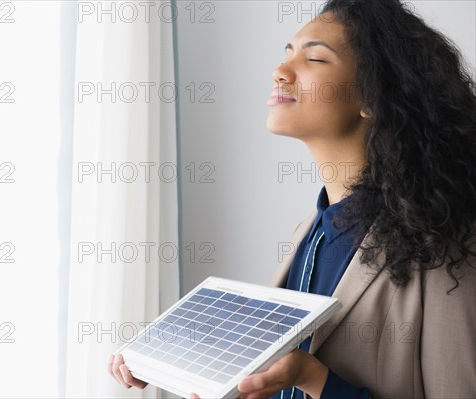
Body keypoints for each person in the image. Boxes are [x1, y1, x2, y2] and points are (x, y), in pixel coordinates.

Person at [109, 0, 476, 397]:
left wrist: (315, 378)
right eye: (286, 55)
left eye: (315, 58)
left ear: (371, 96)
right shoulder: (310, 232)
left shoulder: (446, 242)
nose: (280, 72)